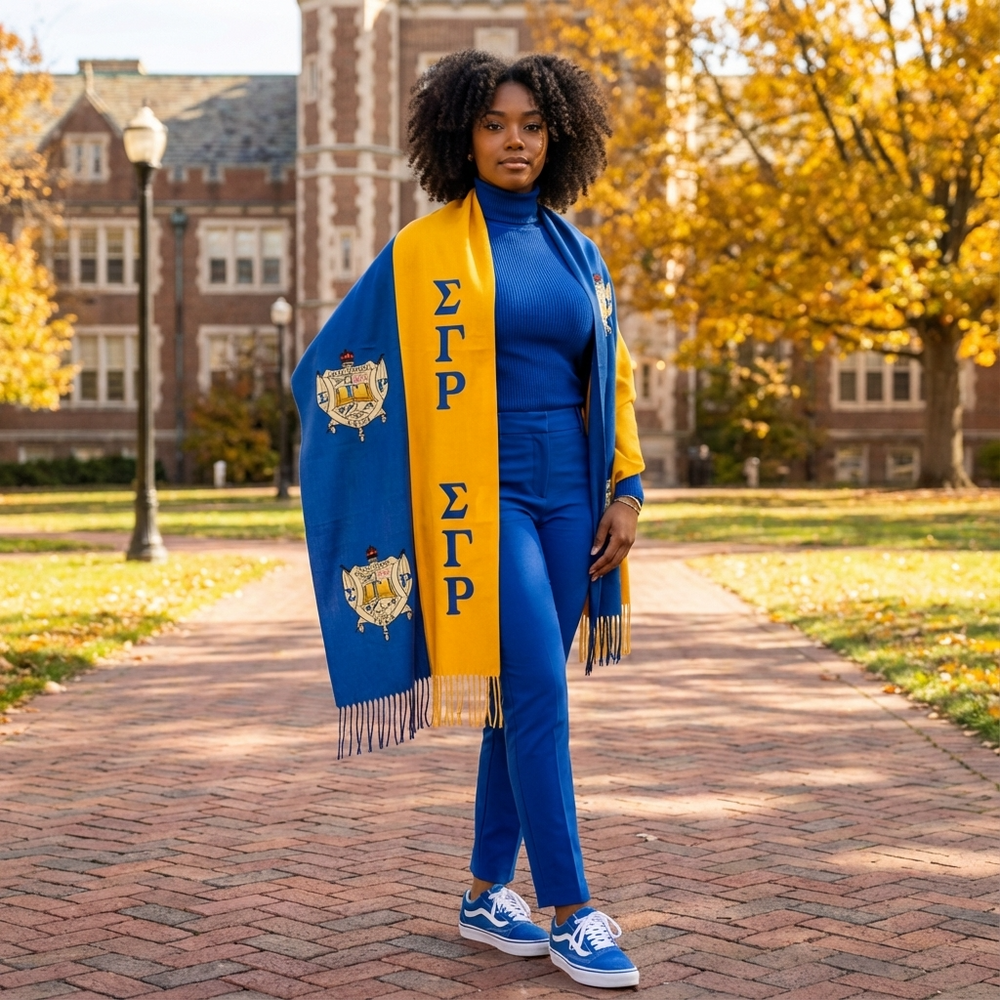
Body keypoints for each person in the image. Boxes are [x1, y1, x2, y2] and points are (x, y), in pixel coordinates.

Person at [292, 50, 645, 990]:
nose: (514, 140)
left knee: (511, 695)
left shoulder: (580, 252)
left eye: (530, 125)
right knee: (537, 686)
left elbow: (612, 373)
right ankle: (571, 908)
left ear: (555, 135)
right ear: (463, 135)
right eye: (494, 124)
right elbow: (335, 368)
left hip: (571, 487)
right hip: (475, 491)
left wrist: (629, 488)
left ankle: (489, 891)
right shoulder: (424, 250)